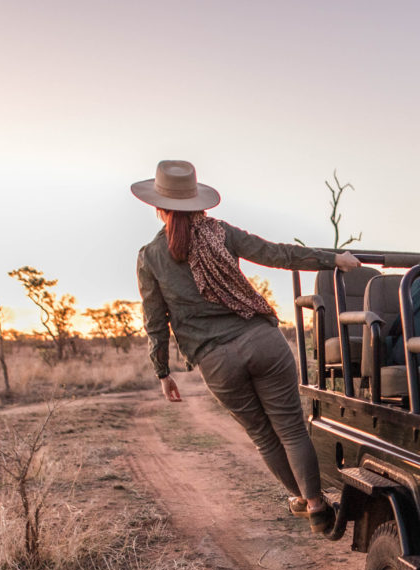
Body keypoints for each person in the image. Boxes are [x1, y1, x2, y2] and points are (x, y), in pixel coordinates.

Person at [132, 159, 360, 534]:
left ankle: (304, 501)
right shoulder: (219, 233)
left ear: (158, 208)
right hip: (262, 343)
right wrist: (332, 258)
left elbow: (156, 322)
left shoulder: (150, 257)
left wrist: (162, 372)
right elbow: (277, 254)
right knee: (291, 428)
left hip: (216, 361)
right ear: (196, 202)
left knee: (264, 437)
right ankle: (317, 503)